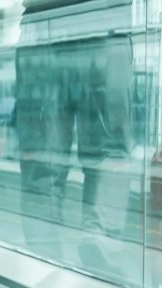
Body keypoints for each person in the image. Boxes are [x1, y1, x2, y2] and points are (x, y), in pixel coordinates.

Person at [15, 0, 133, 249]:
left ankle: (45, 259)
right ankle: (99, 252)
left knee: (43, 160)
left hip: (46, 25)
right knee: (108, 153)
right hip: (105, 24)